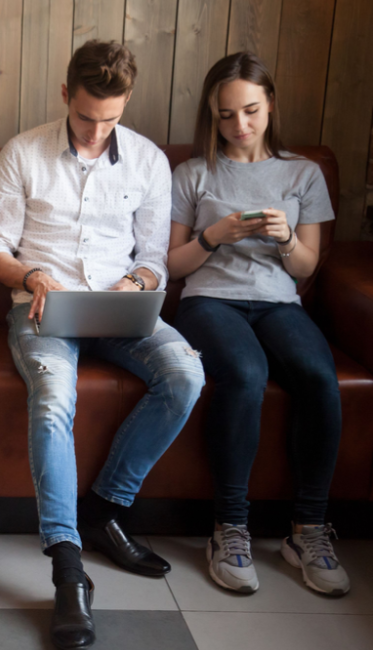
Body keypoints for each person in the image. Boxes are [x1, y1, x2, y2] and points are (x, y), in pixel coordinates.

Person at [0, 40, 205, 648]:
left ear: (126, 101)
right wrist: (30, 275)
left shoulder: (149, 162)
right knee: (53, 398)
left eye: (110, 118)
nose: (96, 131)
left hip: (121, 306)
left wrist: (135, 281)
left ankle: (106, 507)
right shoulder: (23, 153)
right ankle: (67, 567)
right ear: (64, 96)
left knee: (186, 373)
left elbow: (155, 259)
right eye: (86, 118)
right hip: (43, 309)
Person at [168, 52, 349, 597]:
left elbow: (307, 267)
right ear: (211, 115)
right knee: (245, 375)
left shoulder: (303, 173)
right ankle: (230, 527)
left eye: (250, 110)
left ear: (269, 103)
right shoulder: (193, 173)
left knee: (320, 377)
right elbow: (170, 266)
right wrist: (212, 237)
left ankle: (308, 530)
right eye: (225, 115)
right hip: (209, 301)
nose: (239, 126)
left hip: (278, 302)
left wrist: (286, 238)